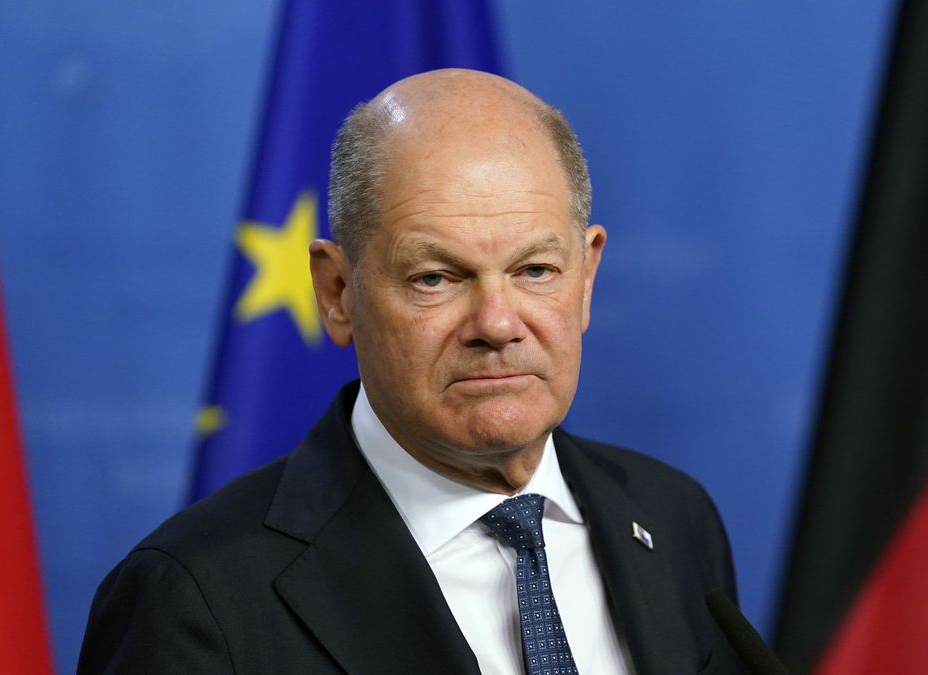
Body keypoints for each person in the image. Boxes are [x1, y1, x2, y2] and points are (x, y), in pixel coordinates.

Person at [79, 69, 742, 674]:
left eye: (535, 270)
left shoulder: (674, 517)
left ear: (588, 275)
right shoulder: (197, 597)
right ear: (338, 291)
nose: (497, 322)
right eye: (436, 277)